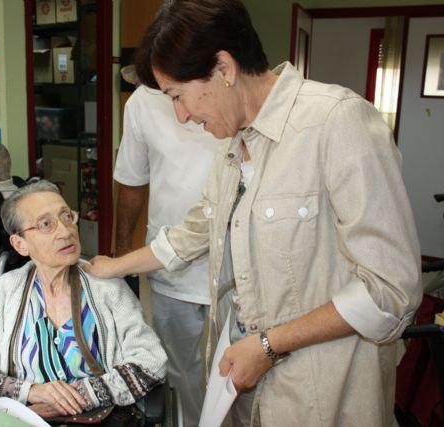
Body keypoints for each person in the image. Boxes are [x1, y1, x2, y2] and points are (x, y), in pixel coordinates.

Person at [83, 0, 423, 425]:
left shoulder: (337, 123)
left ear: (224, 68)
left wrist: (269, 345)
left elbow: (391, 290)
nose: (182, 116)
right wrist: (113, 267)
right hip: (248, 384)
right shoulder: (233, 143)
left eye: (178, 96)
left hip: (323, 392)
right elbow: (194, 233)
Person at [0, 180, 167, 419]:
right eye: (46, 224)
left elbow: (151, 363)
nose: (65, 231)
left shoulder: (108, 287)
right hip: (27, 417)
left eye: (67, 217)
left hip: (97, 418)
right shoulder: (5, 291)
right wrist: (32, 392)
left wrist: (74, 399)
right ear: (20, 244)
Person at [115, 82, 221, 426]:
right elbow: (131, 181)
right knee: (176, 370)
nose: (180, 112)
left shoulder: (232, 87)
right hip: (168, 260)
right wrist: (121, 255)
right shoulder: (142, 102)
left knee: (235, 369)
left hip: (234, 262)